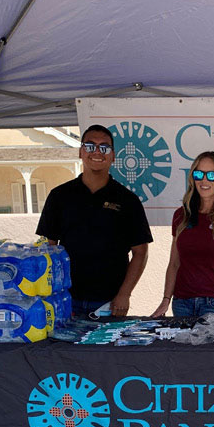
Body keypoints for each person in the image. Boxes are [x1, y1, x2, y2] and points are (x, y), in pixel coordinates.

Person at [36, 125, 153, 319]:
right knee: (62, 350)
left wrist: (124, 294)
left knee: (104, 350)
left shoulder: (128, 200)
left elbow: (141, 252)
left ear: (113, 156)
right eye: (90, 146)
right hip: (66, 299)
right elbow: (48, 248)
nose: (97, 152)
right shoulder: (59, 196)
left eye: (104, 147)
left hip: (110, 303)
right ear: (81, 152)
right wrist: (50, 292)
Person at [151, 152, 214, 320]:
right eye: (199, 174)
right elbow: (174, 263)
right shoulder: (180, 215)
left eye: (211, 175)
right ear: (192, 178)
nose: (204, 180)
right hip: (181, 303)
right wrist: (165, 300)